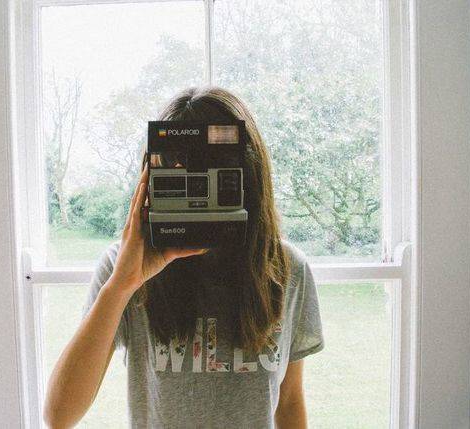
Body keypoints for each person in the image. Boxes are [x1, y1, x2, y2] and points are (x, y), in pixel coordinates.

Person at [43, 86, 324, 429]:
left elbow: (289, 399)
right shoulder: (123, 268)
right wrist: (121, 285)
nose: (198, 191)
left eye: (212, 175)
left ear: (248, 178)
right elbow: (59, 415)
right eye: (182, 175)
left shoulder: (285, 267)